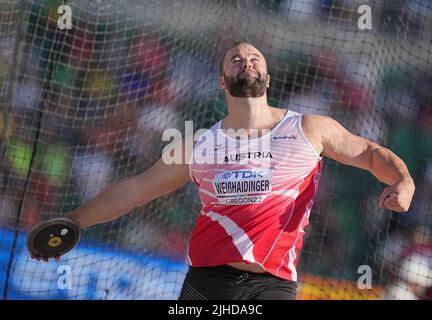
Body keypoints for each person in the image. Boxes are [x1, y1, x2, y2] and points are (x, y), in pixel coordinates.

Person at [31, 42, 416, 300]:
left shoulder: (309, 129)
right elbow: (135, 190)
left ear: (267, 76)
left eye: (254, 59)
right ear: (221, 81)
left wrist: (403, 180)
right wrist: (75, 222)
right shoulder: (197, 144)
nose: (246, 61)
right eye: (236, 59)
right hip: (207, 283)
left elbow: (369, 153)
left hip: (273, 285)